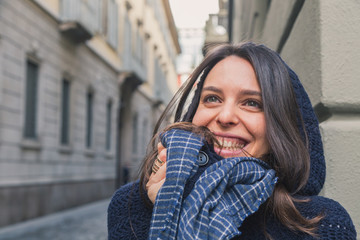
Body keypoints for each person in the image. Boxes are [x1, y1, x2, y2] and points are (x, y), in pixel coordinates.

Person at [107, 42, 357, 239]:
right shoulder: (131, 206)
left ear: (281, 125)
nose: (225, 117)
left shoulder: (321, 224)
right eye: (212, 98)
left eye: (252, 103)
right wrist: (161, 209)